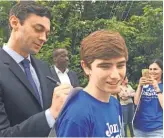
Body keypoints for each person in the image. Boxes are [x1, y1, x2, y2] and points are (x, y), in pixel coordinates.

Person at [0, 1, 72, 136]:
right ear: (14, 23)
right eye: (38, 29)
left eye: (47, 33)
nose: (44, 38)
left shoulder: (44, 68)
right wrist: (50, 115)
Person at [55, 30, 128, 137]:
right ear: (86, 67)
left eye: (120, 65)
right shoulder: (77, 115)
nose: (115, 75)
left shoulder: (114, 103)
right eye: (105, 66)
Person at [133, 59, 163, 137]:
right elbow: (136, 102)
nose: (152, 71)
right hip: (139, 127)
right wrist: (139, 86)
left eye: (155, 69)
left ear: (162, 71)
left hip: (157, 128)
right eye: (150, 69)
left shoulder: (162, 86)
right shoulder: (144, 85)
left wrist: (157, 88)